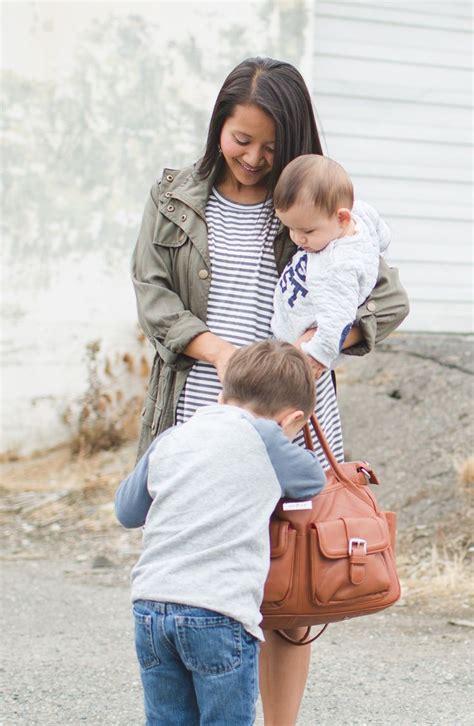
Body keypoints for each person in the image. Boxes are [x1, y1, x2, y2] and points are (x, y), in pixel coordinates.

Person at [131, 57, 409, 725]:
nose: (254, 158)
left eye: (271, 145)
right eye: (240, 139)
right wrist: (221, 353)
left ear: (296, 137)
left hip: (291, 419)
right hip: (202, 409)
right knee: (202, 586)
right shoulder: (175, 197)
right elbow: (153, 294)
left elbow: (389, 300)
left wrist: (316, 352)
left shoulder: (318, 198)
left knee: (287, 596)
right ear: (218, 127)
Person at [115, 341, 326, 726]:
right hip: (218, 612)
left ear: (221, 392)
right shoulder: (268, 438)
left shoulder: (172, 438)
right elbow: (312, 480)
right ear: (292, 418)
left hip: (151, 606)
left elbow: (126, 511)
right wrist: (284, 434)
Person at [271, 154, 391, 377]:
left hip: (304, 348)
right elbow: (381, 233)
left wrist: (316, 356)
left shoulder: (338, 268)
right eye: (290, 228)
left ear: (342, 219)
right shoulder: (360, 213)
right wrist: (377, 247)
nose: (297, 238)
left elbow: (337, 320)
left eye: (307, 231)